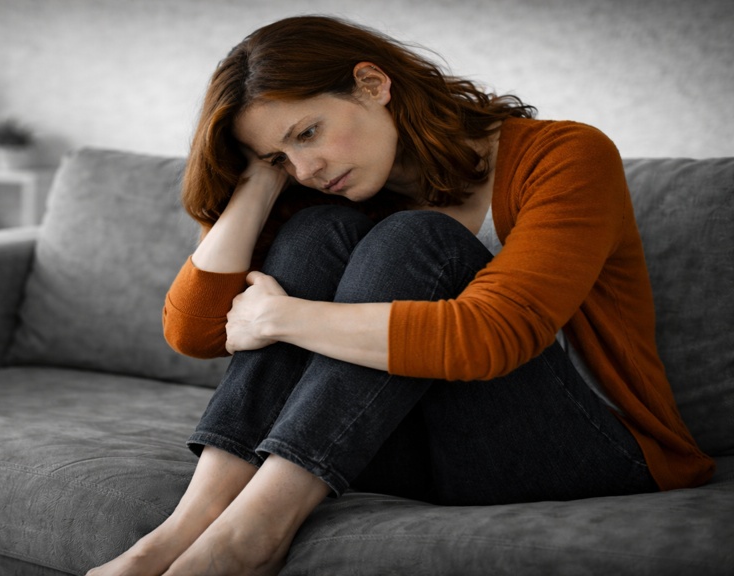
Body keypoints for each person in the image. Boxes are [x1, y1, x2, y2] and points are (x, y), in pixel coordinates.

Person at [88, 15, 714, 576]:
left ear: (372, 84)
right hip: (399, 445)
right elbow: (195, 332)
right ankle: (184, 527)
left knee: (416, 238)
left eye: (308, 132)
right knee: (315, 233)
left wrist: (282, 318)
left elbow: (494, 336)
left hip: (585, 447)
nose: (306, 169)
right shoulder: (323, 191)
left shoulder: (565, 154)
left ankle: (251, 536)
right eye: (281, 156)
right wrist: (259, 182)